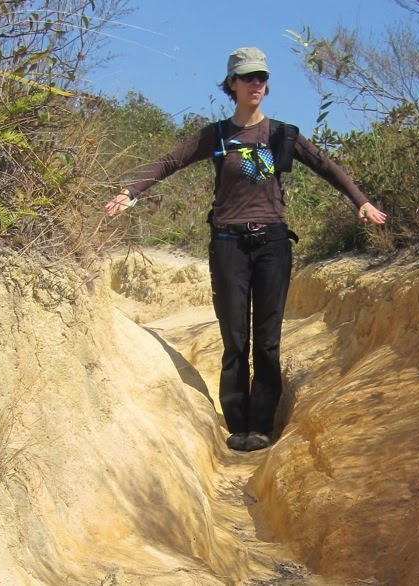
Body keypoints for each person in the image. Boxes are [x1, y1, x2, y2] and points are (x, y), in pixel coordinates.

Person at [105, 47, 387, 452]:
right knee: (235, 338)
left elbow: (326, 165)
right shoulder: (217, 135)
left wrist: (360, 201)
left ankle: (262, 426)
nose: (256, 83)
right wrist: (130, 192)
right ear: (232, 83)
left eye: (262, 77)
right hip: (228, 245)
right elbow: (170, 161)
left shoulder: (281, 134)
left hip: (273, 244)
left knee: (267, 341)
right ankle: (237, 424)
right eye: (249, 77)